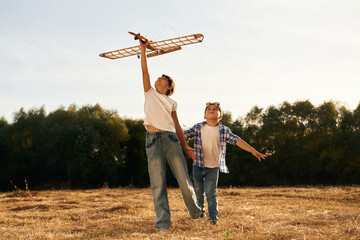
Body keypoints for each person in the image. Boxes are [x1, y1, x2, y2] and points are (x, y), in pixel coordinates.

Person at [139, 39, 201, 230]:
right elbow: (144, 71)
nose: (158, 79)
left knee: (183, 178)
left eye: (162, 79)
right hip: (151, 140)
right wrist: (143, 49)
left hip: (170, 139)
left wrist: (185, 145)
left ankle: (197, 213)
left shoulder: (172, 103)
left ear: (168, 87)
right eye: (158, 77)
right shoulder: (149, 92)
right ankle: (163, 223)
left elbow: (177, 125)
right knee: (157, 182)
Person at [184, 102, 267, 225]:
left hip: (213, 167)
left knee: (211, 193)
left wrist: (253, 151)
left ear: (220, 116)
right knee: (198, 192)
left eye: (215, 109)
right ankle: (199, 216)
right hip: (198, 165)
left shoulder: (224, 130)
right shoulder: (198, 128)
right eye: (209, 109)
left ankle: (213, 219)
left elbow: (237, 140)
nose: (212, 110)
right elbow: (183, 135)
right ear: (204, 116)